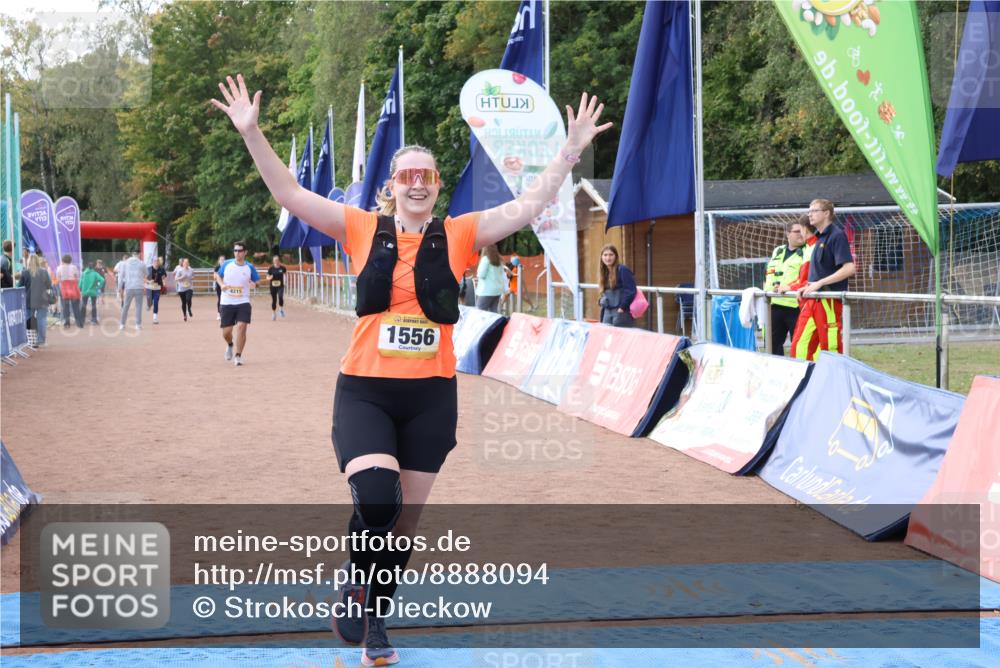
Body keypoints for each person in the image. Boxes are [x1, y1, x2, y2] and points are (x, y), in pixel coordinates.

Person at [211, 72, 610, 665]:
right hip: (366, 392)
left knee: (401, 527)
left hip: (430, 398)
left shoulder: (462, 233)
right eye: (407, 176)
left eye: (427, 176)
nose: (417, 184)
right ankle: (355, 582)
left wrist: (570, 151)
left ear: (438, 186)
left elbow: (530, 204)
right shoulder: (359, 227)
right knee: (377, 496)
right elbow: (291, 194)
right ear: (392, 186)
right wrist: (252, 133)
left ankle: (374, 615)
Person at [789, 199, 856, 360]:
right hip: (813, 299)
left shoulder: (837, 235)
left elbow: (849, 268)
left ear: (826, 213)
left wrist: (820, 283)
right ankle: (806, 381)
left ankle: (834, 382)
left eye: (814, 210)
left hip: (828, 300)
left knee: (830, 348)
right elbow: (818, 274)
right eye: (809, 210)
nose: (809, 214)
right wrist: (805, 287)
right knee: (799, 346)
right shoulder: (819, 238)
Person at [763, 220, 806, 355]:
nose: (801, 234)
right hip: (774, 304)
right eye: (797, 231)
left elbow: (806, 277)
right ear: (788, 233)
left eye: (802, 231)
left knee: (799, 344)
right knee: (772, 344)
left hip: (795, 306)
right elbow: (770, 273)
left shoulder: (807, 252)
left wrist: (788, 287)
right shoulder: (778, 250)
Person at [215, 240, 259, 366]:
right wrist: (222, 284)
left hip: (243, 301)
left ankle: (238, 355)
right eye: (235, 250)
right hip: (227, 302)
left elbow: (258, 282)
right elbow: (218, 276)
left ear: (245, 252)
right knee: (226, 332)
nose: (237, 253)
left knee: (241, 327)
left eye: (240, 251)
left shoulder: (249, 267)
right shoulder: (227, 264)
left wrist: (254, 285)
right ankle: (230, 345)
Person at [598, 244, 636, 327]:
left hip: (620, 311)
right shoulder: (604, 272)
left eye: (611, 255)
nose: (608, 258)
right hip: (607, 311)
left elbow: (631, 291)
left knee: (622, 338)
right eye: (605, 255)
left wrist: (622, 308)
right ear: (601, 257)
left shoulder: (623, 269)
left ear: (616, 256)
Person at [19, 254, 52, 346]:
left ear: (28, 261)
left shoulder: (25, 272)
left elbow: (19, 287)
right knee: (41, 319)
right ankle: (41, 340)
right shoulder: (44, 272)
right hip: (42, 299)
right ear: (38, 261)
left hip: (29, 299)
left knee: (28, 319)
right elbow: (49, 285)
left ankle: (29, 340)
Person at [119, 250, 147, 330]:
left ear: (132, 254)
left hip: (129, 287)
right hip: (139, 287)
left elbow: (121, 276)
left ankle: (122, 324)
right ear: (139, 254)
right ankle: (138, 325)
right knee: (138, 307)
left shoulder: (125, 263)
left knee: (125, 306)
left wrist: (120, 287)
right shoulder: (142, 263)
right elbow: (146, 273)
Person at [55, 254, 83, 328]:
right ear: (70, 260)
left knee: (65, 306)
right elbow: (77, 276)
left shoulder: (59, 268)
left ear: (63, 260)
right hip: (73, 286)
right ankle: (79, 322)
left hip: (64, 287)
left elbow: (58, 279)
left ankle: (67, 323)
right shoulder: (74, 267)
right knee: (76, 306)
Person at [475, 244, 505, 312]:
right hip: (497, 291)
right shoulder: (499, 260)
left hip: (486, 291)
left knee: (479, 312)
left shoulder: (485, 259)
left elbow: (481, 275)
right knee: (493, 313)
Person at [145, 257, 167, 324]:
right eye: (155, 261)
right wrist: (149, 281)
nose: (156, 262)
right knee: (150, 301)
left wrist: (164, 283)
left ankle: (155, 318)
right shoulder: (148, 269)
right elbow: (144, 279)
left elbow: (163, 277)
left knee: (156, 302)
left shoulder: (162, 269)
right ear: (152, 262)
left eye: (157, 261)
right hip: (149, 288)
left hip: (157, 288)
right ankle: (149, 305)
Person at [266, 255, 287, 320]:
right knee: (274, 300)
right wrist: (269, 278)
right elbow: (267, 277)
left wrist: (285, 282)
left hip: (280, 286)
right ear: (273, 261)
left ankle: (280, 310)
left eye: (277, 260)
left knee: (280, 297)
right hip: (273, 286)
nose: (276, 261)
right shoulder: (271, 268)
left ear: (279, 260)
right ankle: (274, 313)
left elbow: (285, 275)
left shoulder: (282, 268)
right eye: (275, 260)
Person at [214, 254, 226, 320]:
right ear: (219, 261)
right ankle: (219, 313)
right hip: (219, 286)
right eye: (221, 260)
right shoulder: (217, 267)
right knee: (220, 299)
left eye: (223, 260)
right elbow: (214, 277)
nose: (222, 261)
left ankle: (225, 313)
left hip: (226, 286)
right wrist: (218, 276)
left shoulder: (227, 267)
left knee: (226, 299)